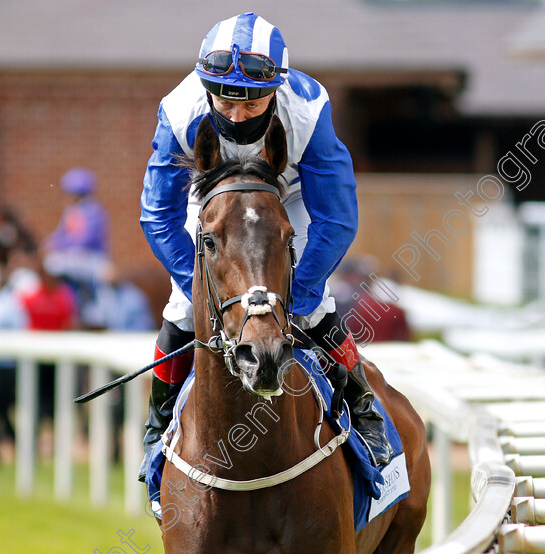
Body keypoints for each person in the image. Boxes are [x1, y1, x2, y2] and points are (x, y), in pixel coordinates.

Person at [139, 13, 392, 479]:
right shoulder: (179, 112)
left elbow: (336, 218)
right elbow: (158, 215)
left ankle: (363, 407)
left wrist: (300, 293)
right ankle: (157, 430)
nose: (236, 115)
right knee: (179, 309)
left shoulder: (309, 111)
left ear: (276, 87)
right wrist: (197, 288)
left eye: (253, 103)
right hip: (213, 200)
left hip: (286, 199)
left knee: (316, 307)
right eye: (226, 100)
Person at [44, 167, 110, 328]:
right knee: (52, 265)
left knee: (57, 263)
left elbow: (85, 240)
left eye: (71, 192)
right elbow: (60, 234)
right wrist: (49, 244)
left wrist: (62, 246)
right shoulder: (70, 211)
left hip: (92, 259)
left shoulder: (94, 211)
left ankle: (98, 313)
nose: (68, 197)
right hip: (72, 259)